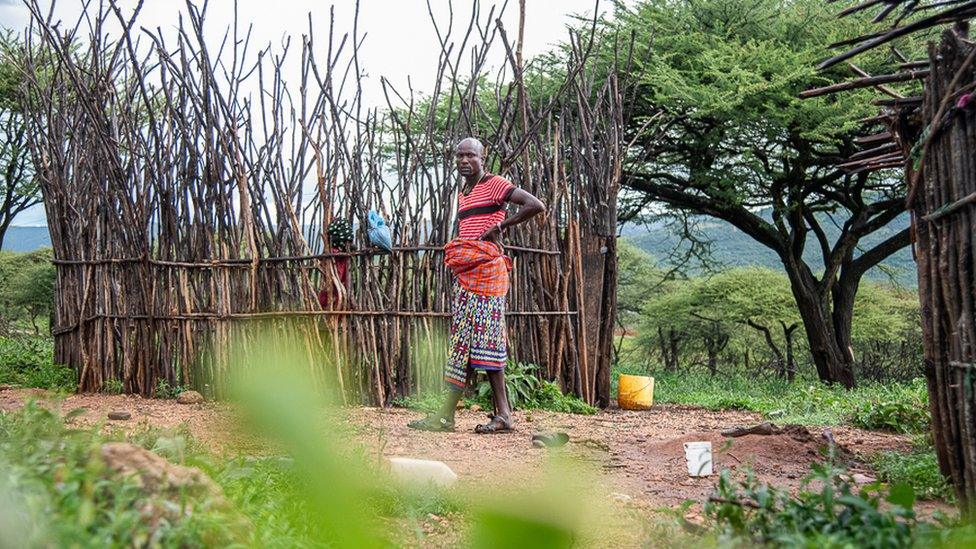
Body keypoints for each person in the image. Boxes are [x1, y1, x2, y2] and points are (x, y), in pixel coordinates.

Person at [408, 137, 545, 433]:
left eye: (470, 155)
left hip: (488, 273)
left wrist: (502, 226)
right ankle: (448, 416)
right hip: (468, 275)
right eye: (459, 156)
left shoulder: (495, 184)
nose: (463, 160)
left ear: (483, 157)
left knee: (488, 342)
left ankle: (502, 415)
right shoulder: (464, 193)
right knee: (463, 345)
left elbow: (535, 204)